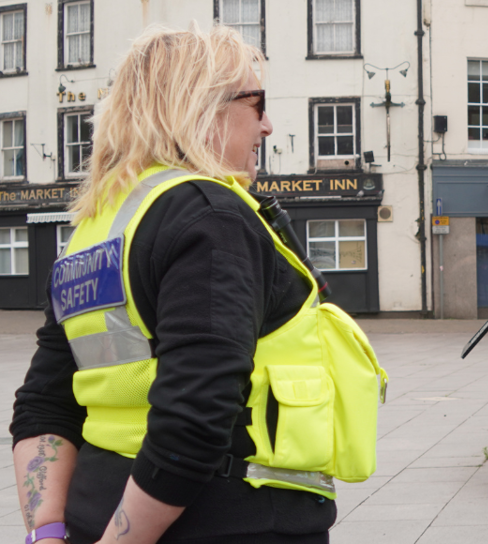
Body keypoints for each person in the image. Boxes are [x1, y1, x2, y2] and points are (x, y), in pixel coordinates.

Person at [10, 24, 382, 544]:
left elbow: (43, 405)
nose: (269, 126)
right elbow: (195, 417)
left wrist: (47, 532)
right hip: (231, 519)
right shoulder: (213, 217)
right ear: (202, 107)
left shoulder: (95, 231)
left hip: (97, 510)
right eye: (258, 104)